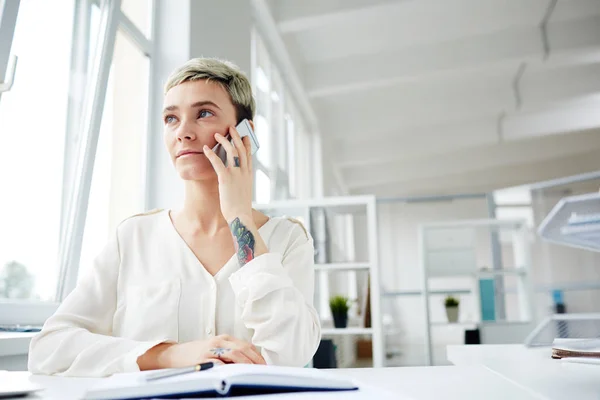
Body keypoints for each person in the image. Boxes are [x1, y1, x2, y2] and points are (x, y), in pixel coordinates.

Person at [28, 58, 321, 377]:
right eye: (171, 118)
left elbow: (291, 352)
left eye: (203, 113)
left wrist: (239, 216)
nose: (183, 132)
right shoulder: (133, 237)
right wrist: (169, 355)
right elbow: (48, 349)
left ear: (244, 132)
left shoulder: (288, 239)